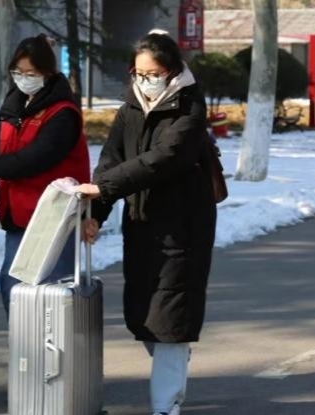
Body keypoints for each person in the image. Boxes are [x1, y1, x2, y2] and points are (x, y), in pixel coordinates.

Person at [74, 29, 217, 415]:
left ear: (172, 72)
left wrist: (103, 188)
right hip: (140, 226)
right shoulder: (130, 109)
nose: (144, 81)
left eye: (153, 74)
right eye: (138, 74)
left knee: (170, 320)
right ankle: (175, 360)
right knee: (145, 318)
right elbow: (111, 160)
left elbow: (163, 159)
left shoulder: (190, 109)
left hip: (183, 229)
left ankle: (165, 407)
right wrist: (96, 213)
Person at [0, 34, 90, 315]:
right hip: (19, 211)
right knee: (12, 284)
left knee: (51, 292)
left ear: (48, 73)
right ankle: (22, 340)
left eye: (31, 73)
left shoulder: (62, 113)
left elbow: (36, 157)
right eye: (17, 72)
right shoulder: (16, 105)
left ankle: (50, 343)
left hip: (54, 215)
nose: (23, 79)